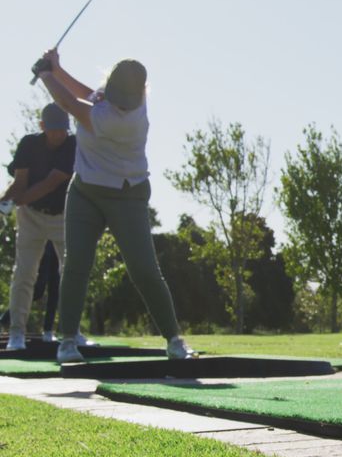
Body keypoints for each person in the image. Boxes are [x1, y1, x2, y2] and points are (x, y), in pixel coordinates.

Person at [32, 49, 195, 363]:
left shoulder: (124, 119)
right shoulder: (113, 96)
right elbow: (86, 94)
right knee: (76, 265)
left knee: (144, 269)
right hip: (85, 192)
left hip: (127, 196)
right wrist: (58, 69)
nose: (121, 103)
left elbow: (69, 103)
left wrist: (45, 75)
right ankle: (68, 341)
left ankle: (174, 340)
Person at [0, 103, 85, 350]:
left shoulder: (73, 145)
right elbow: (20, 183)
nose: (59, 134)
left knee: (72, 272)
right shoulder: (28, 144)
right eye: (54, 129)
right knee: (24, 273)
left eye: (63, 129)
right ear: (42, 126)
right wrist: (4, 203)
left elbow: (50, 183)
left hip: (63, 216)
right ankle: (17, 333)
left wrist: (15, 202)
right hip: (31, 216)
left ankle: (72, 332)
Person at [0, 242, 61, 342]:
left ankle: (48, 330)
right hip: (46, 242)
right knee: (38, 290)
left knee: (55, 288)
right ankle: (5, 318)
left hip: (60, 242)